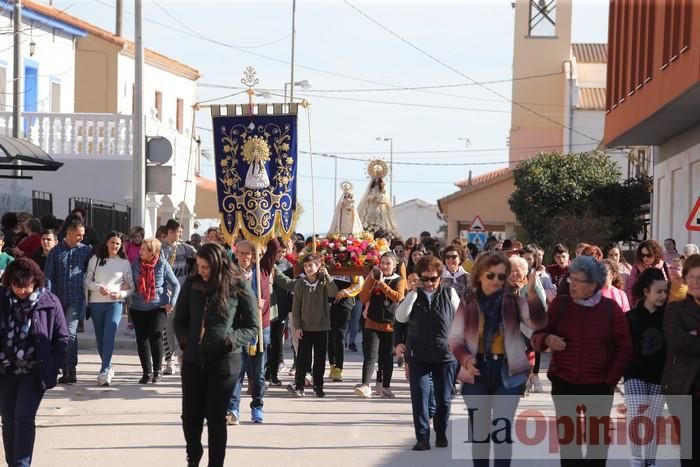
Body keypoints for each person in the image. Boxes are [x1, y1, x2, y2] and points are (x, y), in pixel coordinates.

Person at [531, 256, 633, 467]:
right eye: (571, 280)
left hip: (599, 385)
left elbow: (625, 347)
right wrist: (547, 339)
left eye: (579, 281)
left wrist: (611, 378)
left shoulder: (610, 309)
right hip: (564, 382)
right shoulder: (561, 305)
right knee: (569, 445)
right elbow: (537, 335)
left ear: (594, 284)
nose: (573, 284)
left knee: (597, 445)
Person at [449, 251, 547, 466]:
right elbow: (455, 338)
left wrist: (532, 295)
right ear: (480, 275)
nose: (496, 281)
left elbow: (537, 325)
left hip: (508, 371)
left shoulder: (514, 302)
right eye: (491, 275)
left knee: (502, 431)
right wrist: (465, 359)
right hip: (477, 371)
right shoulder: (468, 304)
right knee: (480, 433)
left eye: (501, 276)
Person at [174, 243, 259, 467]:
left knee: (215, 419)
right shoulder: (192, 285)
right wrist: (186, 342)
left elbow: (252, 326)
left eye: (205, 267)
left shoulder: (237, 285)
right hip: (193, 360)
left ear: (218, 265)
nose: (200, 271)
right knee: (190, 417)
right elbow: (179, 320)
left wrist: (230, 340)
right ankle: (194, 455)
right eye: (199, 266)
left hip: (224, 363)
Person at [0, 258, 68, 466]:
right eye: (16, 286)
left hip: (34, 369)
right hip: (5, 370)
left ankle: (22, 464)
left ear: (35, 283)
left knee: (24, 416)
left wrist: (54, 364)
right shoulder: (2, 300)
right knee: (8, 420)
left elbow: (62, 337)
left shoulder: (49, 302)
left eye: (26, 287)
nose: (21, 291)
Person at [395, 255, 460, 451]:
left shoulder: (450, 294)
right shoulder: (413, 296)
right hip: (418, 355)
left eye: (433, 278)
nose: (429, 283)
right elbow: (400, 318)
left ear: (440, 277)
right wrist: (413, 295)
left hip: (445, 355)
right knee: (420, 396)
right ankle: (422, 437)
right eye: (425, 279)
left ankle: (440, 432)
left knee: (444, 398)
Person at [624, 267, 668, 467]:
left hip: (659, 376)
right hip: (635, 374)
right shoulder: (631, 317)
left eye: (665, 291)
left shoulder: (668, 317)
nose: (663, 296)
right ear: (645, 292)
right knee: (635, 411)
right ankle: (635, 458)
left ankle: (650, 462)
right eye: (659, 291)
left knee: (652, 419)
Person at [660, 254, 700, 467]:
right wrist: (690, 336)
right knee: (691, 452)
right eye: (690, 276)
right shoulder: (675, 309)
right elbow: (678, 340)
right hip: (684, 388)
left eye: (699, 277)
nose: (695, 282)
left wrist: (695, 334)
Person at [44, 221, 92, 384]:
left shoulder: (86, 251)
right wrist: (48, 297)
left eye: (82, 234)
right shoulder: (55, 252)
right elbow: (49, 276)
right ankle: (63, 368)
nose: (81, 237)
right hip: (58, 300)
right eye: (78, 234)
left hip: (76, 299)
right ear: (69, 233)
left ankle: (71, 369)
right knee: (59, 335)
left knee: (71, 333)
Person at [84, 232, 134, 386]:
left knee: (109, 336)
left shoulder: (124, 263)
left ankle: (104, 370)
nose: (115, 246)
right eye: (112, 242)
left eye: (118, 244)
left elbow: (131, 286)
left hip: (115, 303)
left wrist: (120, 293)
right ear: (107, 242)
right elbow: (87, 281)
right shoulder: (96, 259)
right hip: (96, 303)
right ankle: (108, 366)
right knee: (100, 337)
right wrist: (99, 288)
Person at [287, 253, 338, 397]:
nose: (308, 268)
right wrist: (297, 327)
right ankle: (299, 385)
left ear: (318, 266)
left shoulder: (323, 282)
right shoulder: (300, 284)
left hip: (321, 327)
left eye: (311, 265)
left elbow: (334, 292)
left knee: (320, 359)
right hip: (305, 328)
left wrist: (327, 276)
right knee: (303, 358)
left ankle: (318, 386)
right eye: (306, 266)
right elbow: (296, 307)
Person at [130, 238, 180, 384]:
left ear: (153, 252)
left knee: (155, 335)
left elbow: (176, 285)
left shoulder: (163, 265)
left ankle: (157, 371)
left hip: (158, 307)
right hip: (138, 307)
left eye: (144, 249)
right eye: (141, 249)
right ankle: (146, 372)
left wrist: (172, 303)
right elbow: (131, 283)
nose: (140, 252)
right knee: (141, 340)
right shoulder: (135, 264)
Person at [356, 252, 406, 399]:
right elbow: (363, 298)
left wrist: (382, 284)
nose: (384, 266)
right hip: (372, 322)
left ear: (394, 266)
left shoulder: (399, 280)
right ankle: (365, 385)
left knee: (386, 357)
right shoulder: (373, 277)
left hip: (390, 324)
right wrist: (371, 281)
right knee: (370, 356)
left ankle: (385, 386)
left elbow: (399, 297)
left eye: (388, 263)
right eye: (382, 263)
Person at [507, 254, 547, 394]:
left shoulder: (532, 283)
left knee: (528, 352)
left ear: (524, 271)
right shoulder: (503, 285)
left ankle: (524, 382)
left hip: (528, 326)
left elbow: (541, 303)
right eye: (511, 270)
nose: (514, 274)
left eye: (517, 270)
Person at [625, 240, 669, 307]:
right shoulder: (637, 268)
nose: (645, 258)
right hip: (642, 307)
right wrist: (634, 306)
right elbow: (630, 289)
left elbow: (669, 285)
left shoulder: (663, 265)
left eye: (649, 255)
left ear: (656, 254)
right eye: (643, 255)